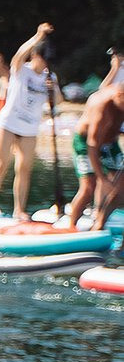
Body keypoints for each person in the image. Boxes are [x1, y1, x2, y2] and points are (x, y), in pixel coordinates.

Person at [0, 23, 56, 221]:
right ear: (35, 56)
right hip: (8, 123)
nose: (45, 64)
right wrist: (38, 36)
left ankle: (20, 210)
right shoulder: (21, 69)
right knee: (1, 164)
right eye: (42, 59)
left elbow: (58, 101)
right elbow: (20, 52)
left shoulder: (50, 76)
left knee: (24, 169)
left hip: (30, 128)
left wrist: (53, 89)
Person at [62, 54, 123, 231]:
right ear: (119, 96)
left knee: (121, 188)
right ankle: (71, 227)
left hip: (110, 143)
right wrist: (102, 178)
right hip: (86, 143)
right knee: (90, 186)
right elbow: (92, 146)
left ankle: (100, 224)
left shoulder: (120, 98)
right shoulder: (102, 107)